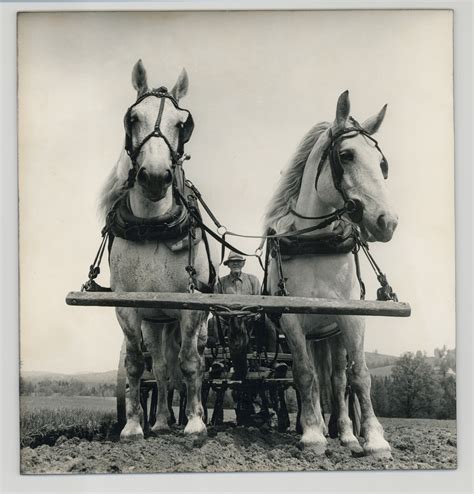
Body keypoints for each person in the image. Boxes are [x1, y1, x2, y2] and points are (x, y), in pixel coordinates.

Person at [214, 252, 262, 425]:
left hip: (249, 323)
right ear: (228, 265)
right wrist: (224, 319)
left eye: (238, 262)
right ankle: (218, 356)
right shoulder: (221, 283)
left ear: (243, 264)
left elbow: (259, 304)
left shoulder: (253, 280)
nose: (235, 265)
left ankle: (267, 358)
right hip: (228, 323)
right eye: (232, 262)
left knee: (268, 325)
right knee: (213, 324)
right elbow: (216, 305)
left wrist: (253, 316)